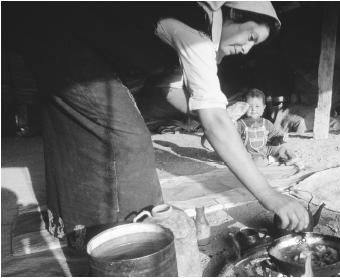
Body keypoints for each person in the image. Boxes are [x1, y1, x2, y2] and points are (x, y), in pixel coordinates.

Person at [8, 1, 309, 242]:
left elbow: (171, 91)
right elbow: (214, 121)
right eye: (250, 36)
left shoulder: (195, 35)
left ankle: (76, 222)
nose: (246, 49)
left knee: (79, 133)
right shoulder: (198, 32)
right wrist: (271, 196)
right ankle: (125, 240)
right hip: (60, 33)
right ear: (231, 14)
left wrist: (209, 115)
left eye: (254, 46)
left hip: (58, 37)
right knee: (127, 138)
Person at [237, 89, 296, 166]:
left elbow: (274, 136)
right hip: (248, 153)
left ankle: (287, 158)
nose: (254, 109)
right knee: (255, 162)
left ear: (263, 108)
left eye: (257, 106)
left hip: (264, 150)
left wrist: (281, 138)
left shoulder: (266, 123)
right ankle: (272, 160)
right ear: (244, 107)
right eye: (250, 106)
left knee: (282, 149)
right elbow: (233, 140)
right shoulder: (240, 124)